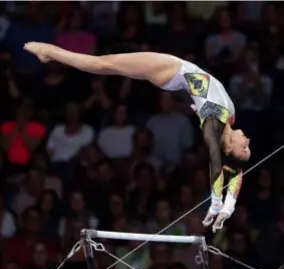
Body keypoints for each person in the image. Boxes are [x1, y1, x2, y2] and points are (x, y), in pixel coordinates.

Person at [23, 42, 251, 232]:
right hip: (176, 74)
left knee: (104, 63)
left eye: (244, 147)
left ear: (230, 147)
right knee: (108, 63)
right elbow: (235, 171)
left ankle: (51, 52)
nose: (248, 141)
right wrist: (227, 207)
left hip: (171, 70)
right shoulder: (228, 120)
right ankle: (52, 53)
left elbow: (217, 162)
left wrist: (216, 202)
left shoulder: (214, 124)